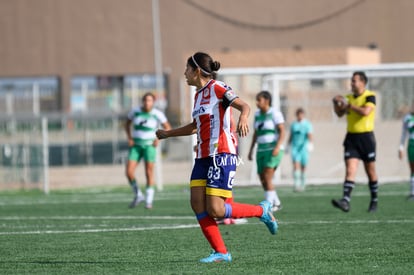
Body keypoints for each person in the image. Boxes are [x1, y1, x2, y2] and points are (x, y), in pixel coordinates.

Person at [156, 52, 278, 263]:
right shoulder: (197, 95)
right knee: (197, 204)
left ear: (196, 70)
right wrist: (168, 134)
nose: (184, 73)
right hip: (203, 156)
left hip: (222, 153)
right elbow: (196, 127)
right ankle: (221, 252)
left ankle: (262, 210)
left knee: (217, 210)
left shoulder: (217, 88)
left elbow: (244, 105)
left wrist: (244, 117)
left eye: (186, 69)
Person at [331, 71, 379, 213]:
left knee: (370, 172)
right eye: (351, 81)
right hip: (351, 138)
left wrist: (349, 105)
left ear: (363, 82)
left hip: (367, 138)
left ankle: (374, 200)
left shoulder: (370, 96)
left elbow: (365, 112)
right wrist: (336, 104)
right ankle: (345, 201)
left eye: (354, 81)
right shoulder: (348, 98)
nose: (351, 83)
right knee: (350, 170)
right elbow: (340, 114)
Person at [125, 92, 171, 209]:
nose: (147, 103)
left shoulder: (157, 114)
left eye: (149, 100)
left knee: (148, 172)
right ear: (142, 101)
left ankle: (149, 201)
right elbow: (126, 124)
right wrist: (129, 138)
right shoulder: (135, 112)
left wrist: (158, 140)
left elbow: (168, 128)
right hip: (136, 145)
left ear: (153, 102)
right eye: (145, 100)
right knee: (129, 172)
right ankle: (138, 195)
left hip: (149, 146)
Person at [247, 91, 285, 211]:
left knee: (268, 177)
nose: (257, 103)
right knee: (262, 178)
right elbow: (256, 133)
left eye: (259, 100)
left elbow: (282, 131)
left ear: (267, 100)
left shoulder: (275, 113)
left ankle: (268, 205)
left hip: (272, 149)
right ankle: (276, 202)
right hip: (261, 150)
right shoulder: (257, 114)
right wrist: (251, 149)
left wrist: (278, 146)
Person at [288, 107, 313, 192]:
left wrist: (310, 144)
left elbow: (310, 135)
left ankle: (303, 183)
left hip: (303, 148)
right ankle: (297, 184)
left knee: (303, 166)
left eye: (301, 114)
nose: (300, 116)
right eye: (298, 115)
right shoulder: (294, 125)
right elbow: (291, 135)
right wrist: (288, 145)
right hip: (295, 148)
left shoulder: (307, 124)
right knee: (296, 165)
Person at [398, 106, 414, 200]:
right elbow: (404, 133)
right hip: (412, 145)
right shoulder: (407, 118)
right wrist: (401, 147)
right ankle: (412, 193)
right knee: (413, 170)